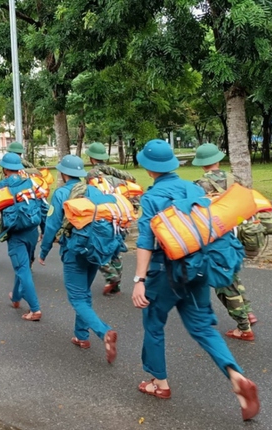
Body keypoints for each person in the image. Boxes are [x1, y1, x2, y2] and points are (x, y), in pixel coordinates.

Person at [130, 139, 259, 421]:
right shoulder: (193, 188)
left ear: (150, 169)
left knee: (153, 323)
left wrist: (139, 279)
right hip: (198, 268)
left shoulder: (151, 197)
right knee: (203, 326)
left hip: (165, 273)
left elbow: (145, 241)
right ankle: (236, 375)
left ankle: (159, 384)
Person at [39, 155, 118, 363]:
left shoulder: (61, 193)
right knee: (84, 294)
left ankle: (104, 332)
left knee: (77, 297)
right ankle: (81, 336)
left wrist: (43, 251)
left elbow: (51, 225)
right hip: (93, 250)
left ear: (64, 174)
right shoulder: (93, 190)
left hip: (73, 251)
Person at [192, 143, 258, 341]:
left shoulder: (199, 185)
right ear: (218, 159)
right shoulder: (235, 179)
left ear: (202, 165)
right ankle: (248, 312)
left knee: (224, 283)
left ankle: (243, 328)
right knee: (233, 275)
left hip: (218, 237)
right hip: (239, 234)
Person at [0, 153, 45, 320]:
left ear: (4, 169)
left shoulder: (2, 186)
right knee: (22, 266)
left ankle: (35, 309)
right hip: (32, 231)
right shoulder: (32, 183)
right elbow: (43, 207)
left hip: (15, 233)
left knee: (23, 269)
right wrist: (44, 231)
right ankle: (16, 297)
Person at [85, 142, 136, 296]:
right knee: (115, 250)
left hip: (104, 218)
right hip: (122, 218)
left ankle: (111, 277)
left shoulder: (92, 175)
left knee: (97, 249)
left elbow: (91, 196)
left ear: (92, 158)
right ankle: (116, 286)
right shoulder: (117, 175)